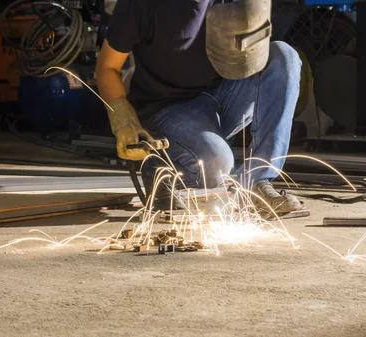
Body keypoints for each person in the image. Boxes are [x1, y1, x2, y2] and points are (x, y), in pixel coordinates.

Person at [95, 0, 303, 214]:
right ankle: (161, 168)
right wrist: (123, 119)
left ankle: (256, 182)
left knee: (284, 57)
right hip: (167, 109)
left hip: (224, 95)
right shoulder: (141, 5)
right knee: (215, 165)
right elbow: (107, 67)